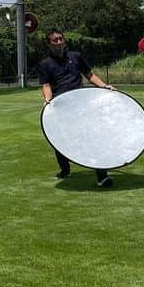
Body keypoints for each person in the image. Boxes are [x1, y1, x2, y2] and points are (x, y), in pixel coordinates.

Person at [39, 29, 117, 188]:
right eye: (55, 40)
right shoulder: (45, 64)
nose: (59, 42)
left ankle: (102, 176)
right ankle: (65, 170)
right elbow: (46, 85)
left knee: (92, 137)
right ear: (49, 44)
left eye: (61, 39)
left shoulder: (76, 57)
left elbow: (90, 75)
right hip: (61, 107)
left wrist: (104, 86)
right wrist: (47, 100)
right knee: (59, 140)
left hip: (82, 104)